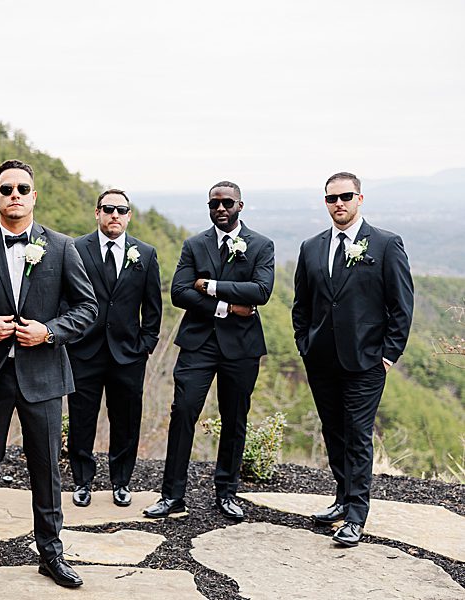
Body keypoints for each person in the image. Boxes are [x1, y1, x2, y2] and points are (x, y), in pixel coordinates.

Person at [0, 159, 97, 588]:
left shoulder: (62, 247)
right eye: (6, 189)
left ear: (33, 196)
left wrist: (49, 332)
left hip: (42, 375)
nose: (14, 195)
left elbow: (87, 309)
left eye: (22, 189)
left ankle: (51, 554)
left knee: (46, 468)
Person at [292, 172, 413, 547]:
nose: (339, 203)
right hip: (321, 360)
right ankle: (342, 499)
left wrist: (388, 355)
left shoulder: (386, 244)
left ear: (360, 199)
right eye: (331, 198)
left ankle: (356, 514)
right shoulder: (311, 247)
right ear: (325, 203)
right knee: (334, 432)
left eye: (346, 196)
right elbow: (302, 305)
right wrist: (304, 345)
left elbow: (401, 306)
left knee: (358, 436)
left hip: (367, 362)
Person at [144, 181, 274, 522]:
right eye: (214, 203)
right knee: (183, 411)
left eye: (227, 203)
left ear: (240, 206)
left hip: (242, 348)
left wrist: (211, 286)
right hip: (198, 343)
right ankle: (172, 495)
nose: (220, 209)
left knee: (235, 419)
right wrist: (228, 307)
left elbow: (260, 291)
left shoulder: (261, 245)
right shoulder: (194, 244)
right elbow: (179, 293)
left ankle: (227, 493)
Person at [66, 189, 162, 508]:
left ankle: (121, 482)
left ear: (129, 215)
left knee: (126, 419)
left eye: (121, 210)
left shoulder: (145, 254)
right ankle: (82, 482)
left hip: (128, 354)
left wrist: (146, 345)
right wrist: (71, 338)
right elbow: (66, 299)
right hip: (85, 351)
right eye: (109, 209)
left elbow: (153, 307)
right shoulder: (77, 248)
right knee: (82, 419)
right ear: (97, 213)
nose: (115, 215)